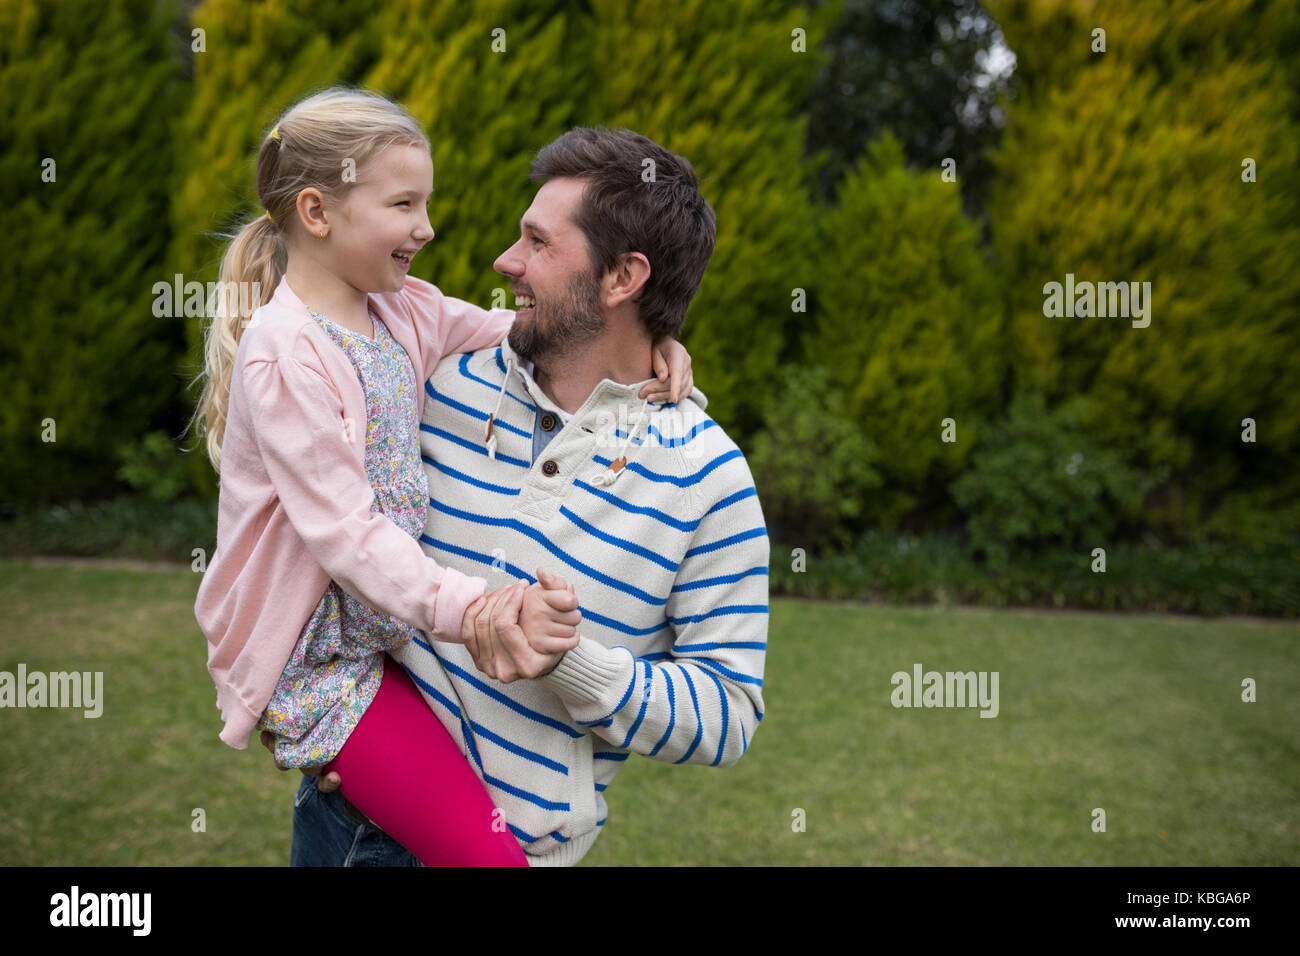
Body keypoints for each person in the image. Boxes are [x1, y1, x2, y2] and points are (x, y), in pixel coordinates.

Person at [191, 89, 694, 866]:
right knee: (487, 859)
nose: (427, 228)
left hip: (380, 648)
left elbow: (523, 334)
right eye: (404, 204)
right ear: (319, 213)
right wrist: (477, 609)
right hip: (322, 670)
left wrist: (649, 346)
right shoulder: (286, 353)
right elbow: (347, 536)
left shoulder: (400, 310)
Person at [291, 126, 770, 867]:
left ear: (622, 279)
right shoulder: (438, 380)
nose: (504, 262)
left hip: (504, 852)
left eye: (538, 244)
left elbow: (727, 715)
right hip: (341, 816)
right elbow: (304, 316)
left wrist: (568, 661)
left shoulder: (708, 478)